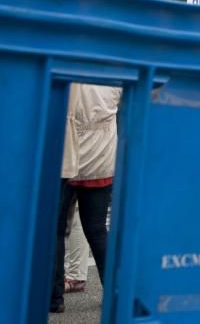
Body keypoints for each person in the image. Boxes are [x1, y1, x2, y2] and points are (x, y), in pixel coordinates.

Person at [50, 82, 122, 313]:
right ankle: (113, 291)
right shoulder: (115, 80)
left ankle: (54, 297)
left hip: (67, 157)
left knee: (56, 229)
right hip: (102, 157)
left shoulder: (72, 78)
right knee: (97, 229)